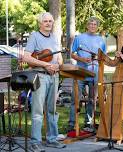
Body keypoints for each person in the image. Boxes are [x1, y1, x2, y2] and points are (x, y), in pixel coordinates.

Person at [22, 12, 66, 152]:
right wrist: (47, 65)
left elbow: (59, 58)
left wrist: (58, 66)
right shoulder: (34, 36)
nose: (48, 23)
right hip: (40, 76)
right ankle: (35, 142)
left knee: (52, 110)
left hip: (54, 76)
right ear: (40, 23)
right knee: (37, 111)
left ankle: (52, 139)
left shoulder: (54, 37)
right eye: (45, 21)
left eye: (50, 21)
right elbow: (27, 58)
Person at [68, 16, 106, 132]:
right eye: (91, 24)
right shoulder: (79, 38)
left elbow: (103, 57)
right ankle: (72, 124)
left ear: (97, 26)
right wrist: (82, 59)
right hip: (80, 73)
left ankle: (88, 124)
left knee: (92, 100)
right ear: (87, 25)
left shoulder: (101, 40)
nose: (92, 26)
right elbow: (72, 54)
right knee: (76, 98)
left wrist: (98, 60)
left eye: (95, 24)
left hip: (94, 74)